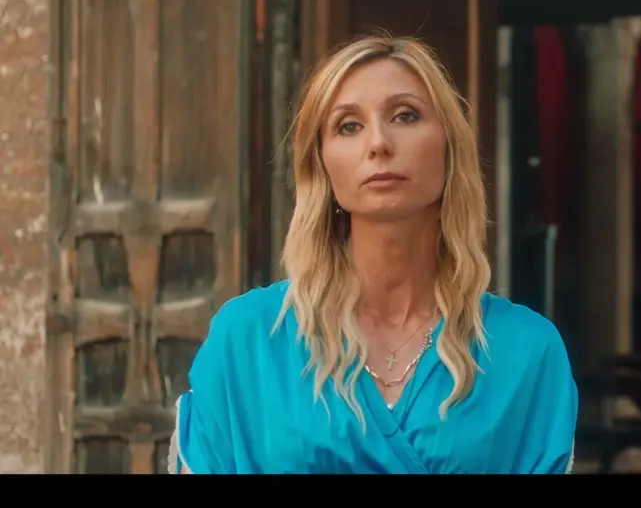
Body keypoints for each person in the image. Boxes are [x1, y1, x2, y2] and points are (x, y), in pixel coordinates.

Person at [167, 35, 578, 474]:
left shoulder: (527, 351)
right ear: (322, 164)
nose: (379, 143)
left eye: (405, 115)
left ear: (449, 147)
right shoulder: (248, 340)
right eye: (348, 125)